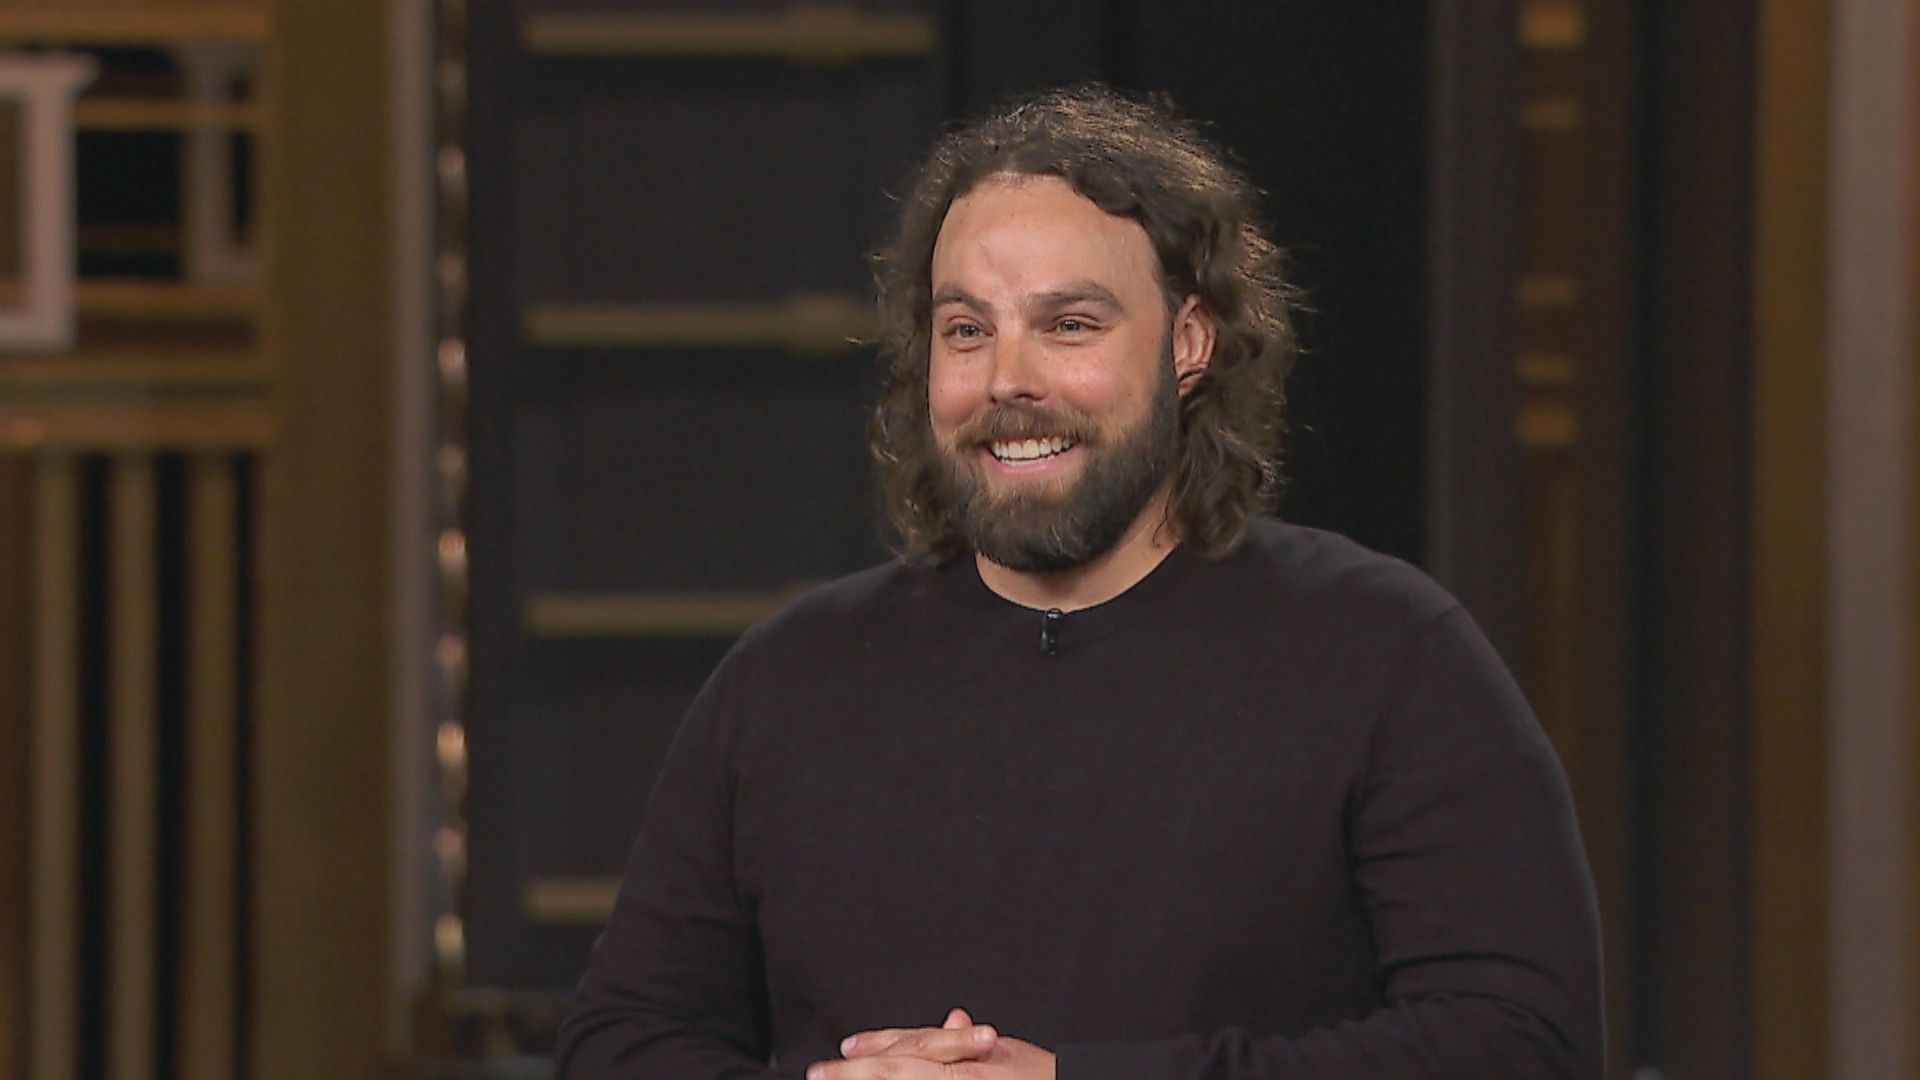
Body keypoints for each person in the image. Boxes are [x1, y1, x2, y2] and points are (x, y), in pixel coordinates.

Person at [556, 84, 1602, 1080]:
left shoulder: (1386, 655)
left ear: (1189, 343)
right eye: (967, 330)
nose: (1008, 379)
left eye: (1068, 325)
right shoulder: (789, 682)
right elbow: (618, 1045)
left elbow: (1517, 1046)